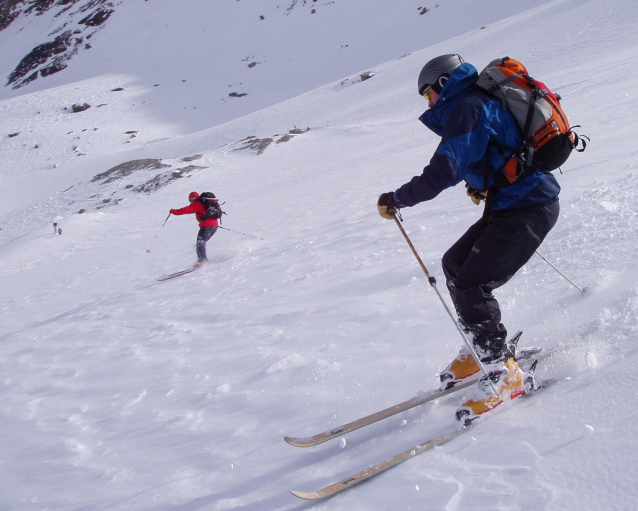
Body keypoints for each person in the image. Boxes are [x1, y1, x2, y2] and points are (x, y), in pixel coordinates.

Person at [377, 54, 560, 425]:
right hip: (513, 204)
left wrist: (397, 199)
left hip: (529, 206)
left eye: (428, 94)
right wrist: (484, 183)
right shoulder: (477, 102)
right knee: (455, 265)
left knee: (472, 284)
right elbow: (490, 151)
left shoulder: (469, 107)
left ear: (443, 85)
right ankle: (481, 345)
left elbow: (444, 169)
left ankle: (503, 371)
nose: (428, 104)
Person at [170, 191, 220, 268]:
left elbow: (185, 210)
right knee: (202, 243)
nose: (191, 201)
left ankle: (202, 260)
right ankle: (205, 259)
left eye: (191, 199)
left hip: (206, 226)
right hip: (214, 226)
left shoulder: (197, 203)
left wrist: (173, 211)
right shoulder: (203, 203)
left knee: (200, 242)